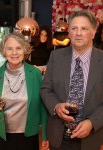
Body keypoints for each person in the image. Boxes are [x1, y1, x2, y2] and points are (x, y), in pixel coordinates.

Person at [41, 10, 103, 150]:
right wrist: (56, 106)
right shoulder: (55, 57)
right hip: (58, 137)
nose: (78, 33)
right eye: (74, 28)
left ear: (93, 32)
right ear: (69, 32)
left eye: (84, 28)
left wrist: (92, 122)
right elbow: (46, 89)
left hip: (91, 139)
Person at [0, 32, 49, 150]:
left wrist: (45, 135)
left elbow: (42, 106)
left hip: (29, 134)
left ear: (25, 50)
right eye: (10, 49)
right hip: (4, 134)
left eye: (18, 48)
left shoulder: (35, 74)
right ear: (4, 52)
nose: (14, 53)